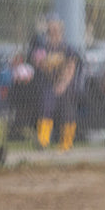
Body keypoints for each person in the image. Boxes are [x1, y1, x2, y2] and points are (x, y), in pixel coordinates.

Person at [28, 15, 80, 152]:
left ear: (61, 31)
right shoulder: (42, 48)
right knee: (46, 108)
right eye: (51, 30)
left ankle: (66, 143)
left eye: (56, 30)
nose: (53, 33)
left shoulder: (67, 48)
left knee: (67, 112)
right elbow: (39, 63)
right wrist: (50, 68)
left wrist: (62, 84)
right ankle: (43, 141)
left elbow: (70, 67)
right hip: (48, 84)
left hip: (66, 85)